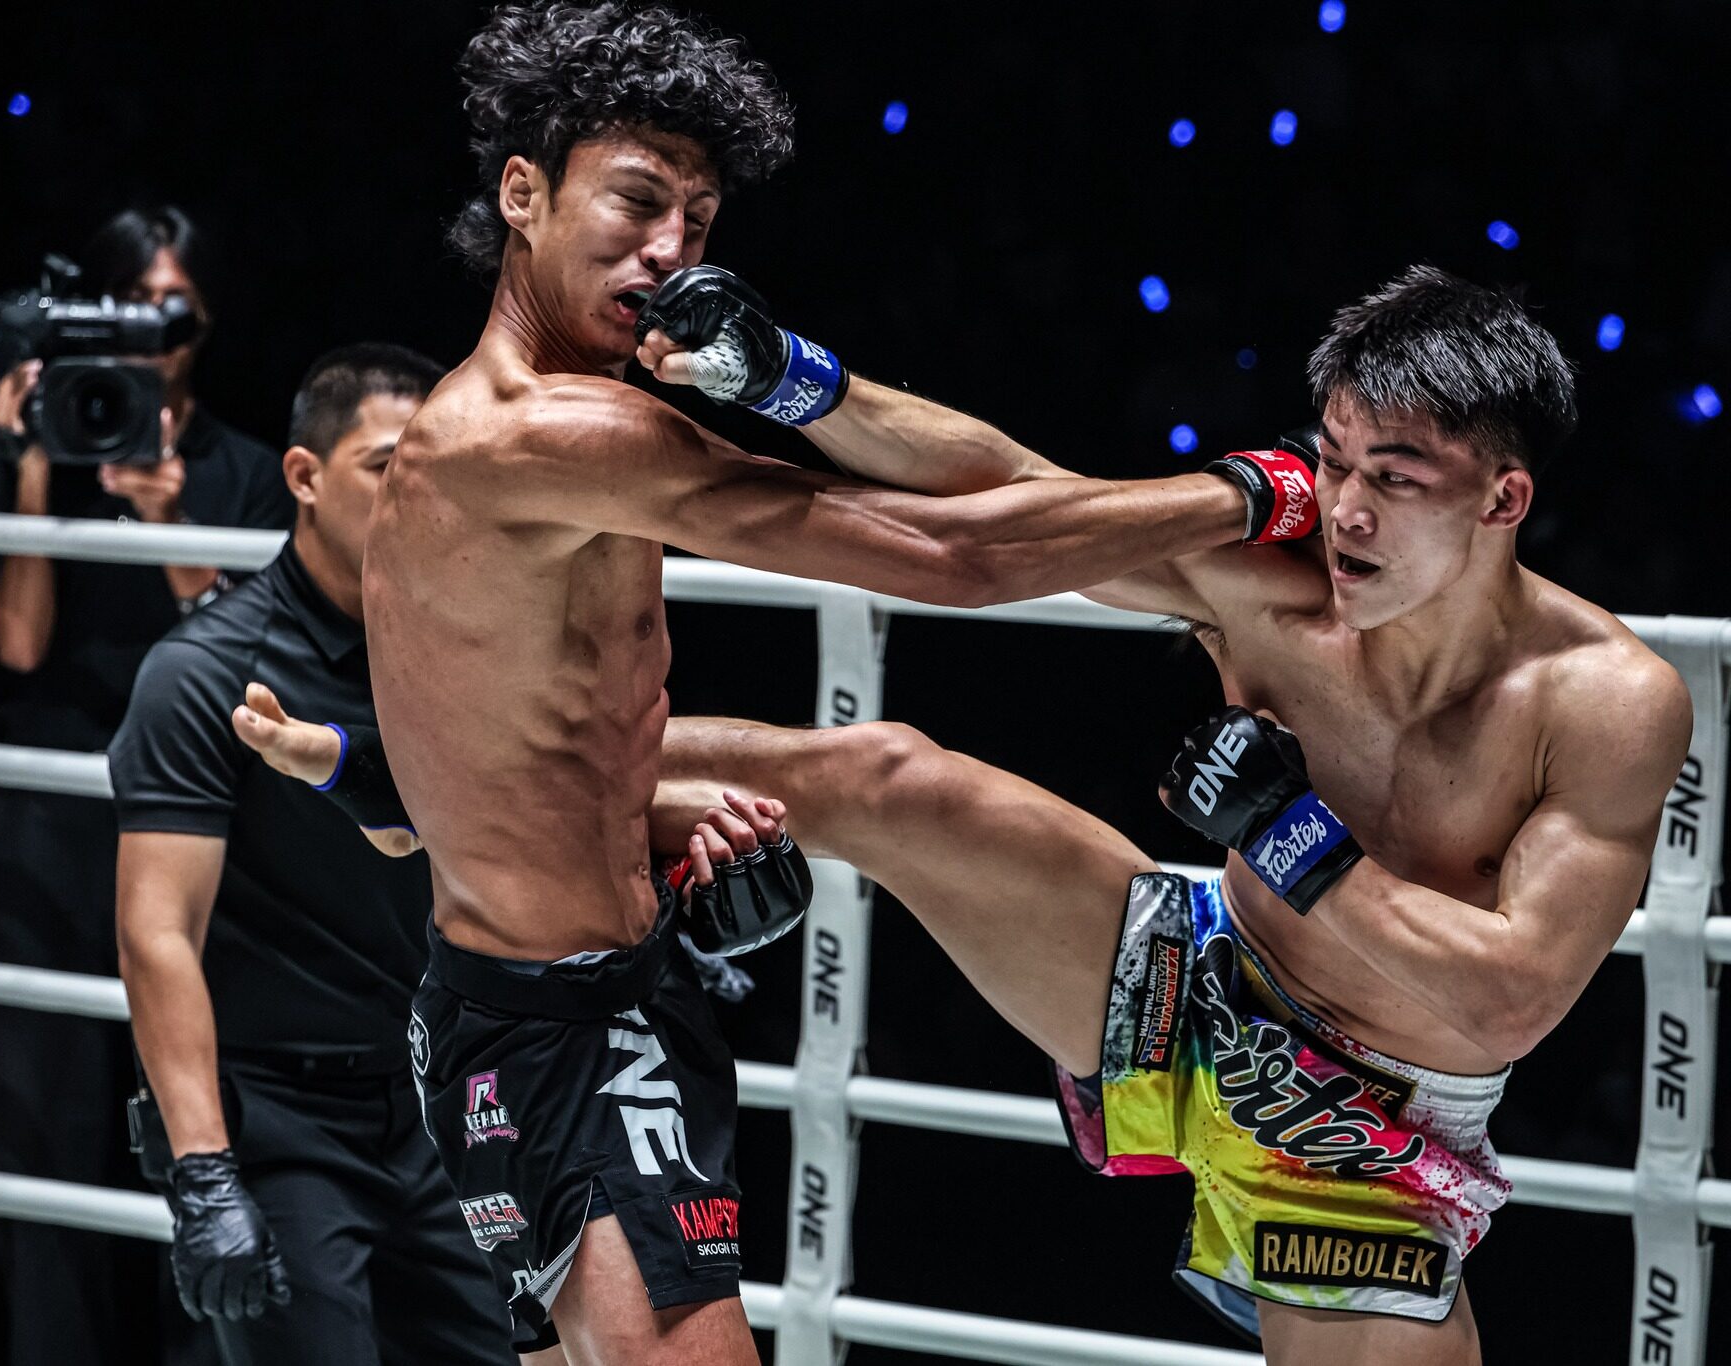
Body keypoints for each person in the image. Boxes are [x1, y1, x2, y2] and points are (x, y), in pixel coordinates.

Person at [247, 265, 1692, 1366]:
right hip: (1200, 971)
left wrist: (1295, 837)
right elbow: (1017, 494)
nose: (1347, 509)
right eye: (1335, 458)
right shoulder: (1279, 577)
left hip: (1360, 1118)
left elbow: (1508, 995)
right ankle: (419, 776)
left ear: (1502, 497)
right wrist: (794, 379)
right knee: (887, 775)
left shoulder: (1606, 700)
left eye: (1398, 479)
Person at [354, 4, 1307, 1360]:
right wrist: (1251, 496)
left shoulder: (554, 424)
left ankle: (1161, 1059)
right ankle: (1208, 1066)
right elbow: (954, 554)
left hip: (578, 988)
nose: (670, 250)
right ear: (523, 193)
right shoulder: (550, 433)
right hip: (565, 1032)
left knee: (880, 771)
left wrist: (669, 856)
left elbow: (516, 740)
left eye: (697, 219)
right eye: (635, 201)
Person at [108, 344, 515, 1366]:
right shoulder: (205, 673)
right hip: (277, 1118)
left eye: (435, 468)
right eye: (385, 467)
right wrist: (204, 1171)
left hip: (448, 1095)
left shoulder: (473, 653)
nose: (417, 493)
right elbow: (157, 932)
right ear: (302, 475)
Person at [0, 203, 291, 1366]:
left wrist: (166, 517)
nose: (154, 347)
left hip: (200, 827)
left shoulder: (249, 471)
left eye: (174, 321)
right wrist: (30, 462)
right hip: (53, 823)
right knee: (42, 1135)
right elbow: (15, 641)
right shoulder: (47, 445)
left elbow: (257, 671)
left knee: (198, 1136)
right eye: (128, 318)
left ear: (206, 326)